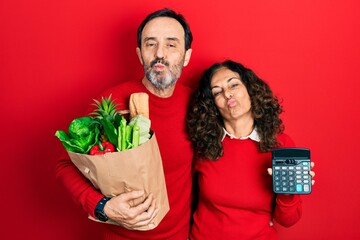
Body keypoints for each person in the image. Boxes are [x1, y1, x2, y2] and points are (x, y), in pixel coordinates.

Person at [56, 8, 193, 240]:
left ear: (186, 56)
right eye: (150, 44)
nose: (160, 53)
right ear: (140, 54)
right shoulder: (110, 103)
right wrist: (102, 206)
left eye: (171, 45)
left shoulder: (197, 103)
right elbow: (64, 165)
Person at [186, 60, 315, 240]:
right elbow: (183, 195)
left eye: (234, 84)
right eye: (217, 92)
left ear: (250, 90)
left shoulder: (280, 145)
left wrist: (288, 193)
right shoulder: (203, 144)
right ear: (212, 105)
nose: (227, 93)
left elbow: (288, 220)